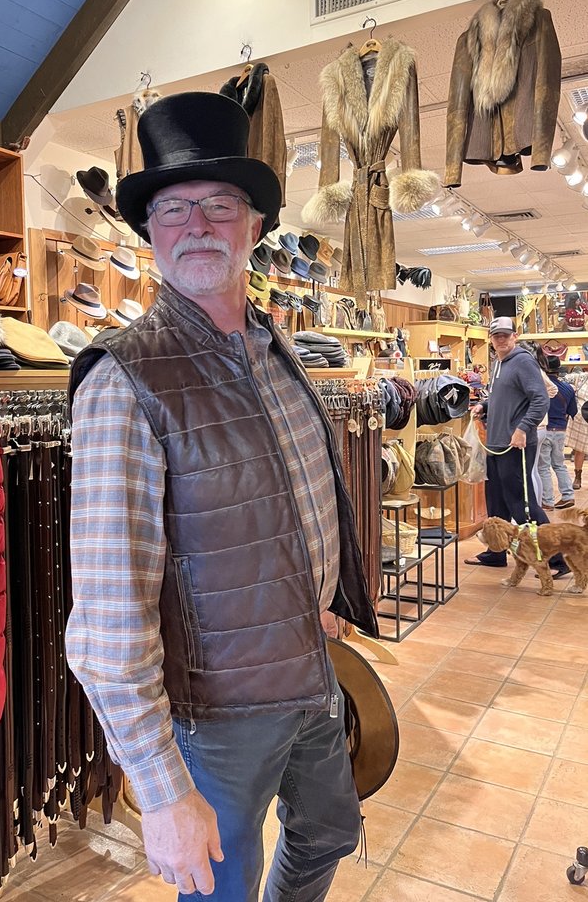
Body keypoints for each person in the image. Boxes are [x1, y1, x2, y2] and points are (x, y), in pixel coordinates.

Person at [65, 92, 378, 901]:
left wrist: (323, 599)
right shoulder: (125, 380)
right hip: (216, 711)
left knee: (330, 830)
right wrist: (162, 788)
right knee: (221, 886)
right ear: (149, 231)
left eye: (219, 205)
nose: (196, 225)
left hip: (309, 665)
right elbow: (107, 613)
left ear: (255, 225)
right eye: (173, 209)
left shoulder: (278, 350)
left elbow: (293, 499)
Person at [465, 316, 569, 576]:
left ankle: (558, 560)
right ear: (491, 339)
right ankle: (496, 552)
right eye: (496, 335)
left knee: (523, 506)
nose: (501, 339)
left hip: (515, 446)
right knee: (496, 502)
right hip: (496, 444)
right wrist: (484, 406)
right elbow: (503, 397)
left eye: (505, 335)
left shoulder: (522, 361)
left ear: (515, 336)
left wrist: (523, 429)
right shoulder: (499, 362)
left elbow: (541, 400)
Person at [536, 352, 577, 510]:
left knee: (543, 467)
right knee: (559, 464)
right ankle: (568, 495)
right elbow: (573, 411)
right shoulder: (568, 388)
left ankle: (547, 500)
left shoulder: (541, 386)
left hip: (544, 428)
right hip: (560, 429)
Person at [532, 348, 559, 506]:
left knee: (530, 471)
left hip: (535, 427)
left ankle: (534, 509)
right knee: (534, 470)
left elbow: (553, 389)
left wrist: (538, 401)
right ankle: (537, 507)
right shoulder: (537, 370)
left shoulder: (534, 370)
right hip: (539, 426)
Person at [564, 372, 588, 490]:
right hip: (581, 418)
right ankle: (578, 477)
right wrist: (571, 389)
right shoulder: (581, 377)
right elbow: (563, 379)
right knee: (579, 449)